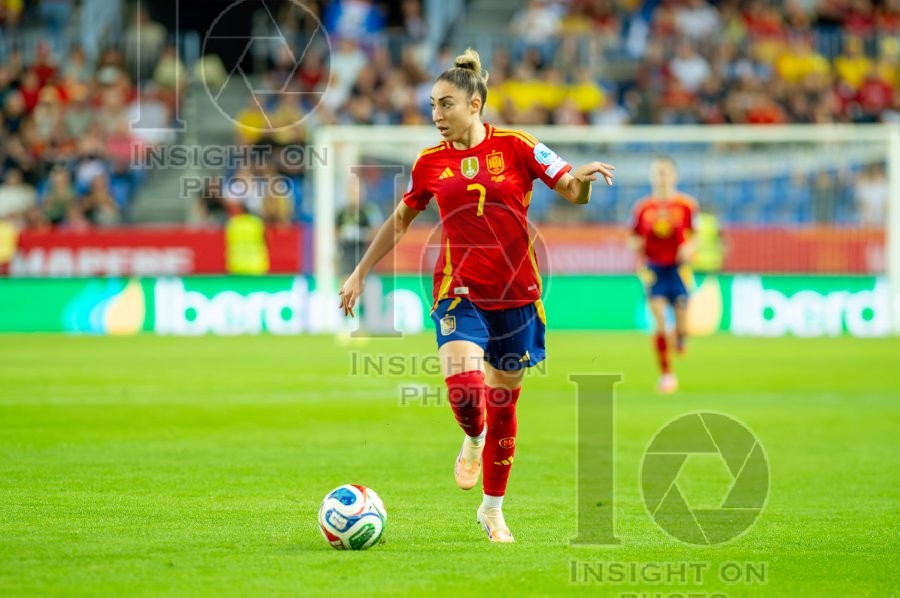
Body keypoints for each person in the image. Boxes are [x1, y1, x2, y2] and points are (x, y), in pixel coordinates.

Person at [339, 48, 614, 543]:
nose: (436, 115)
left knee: (505, 402)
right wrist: (360, 271)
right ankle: (473, 436)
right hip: (457, 290)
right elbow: (401, 219)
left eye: (445, 104)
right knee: (467, 391)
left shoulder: (517, 146)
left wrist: (586, 182)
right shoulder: (428, 164)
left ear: (475, 103)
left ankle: (492, 510)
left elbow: (572, 190)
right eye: (432, 106)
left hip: (517, 295)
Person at [630, 156, 697, 394]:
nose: (661, 177)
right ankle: (667, 375)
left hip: (679, 270)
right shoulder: (643, 208)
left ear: (674, 176)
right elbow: (634, 236)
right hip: (654, 268)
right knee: (659, 324)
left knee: (682, 327)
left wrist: (689, 248)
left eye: (665, 172)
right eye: (657, 172)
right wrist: (636, 246)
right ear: (652, 177)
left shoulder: (687, 205)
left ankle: (680, 337)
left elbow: (695, 235)